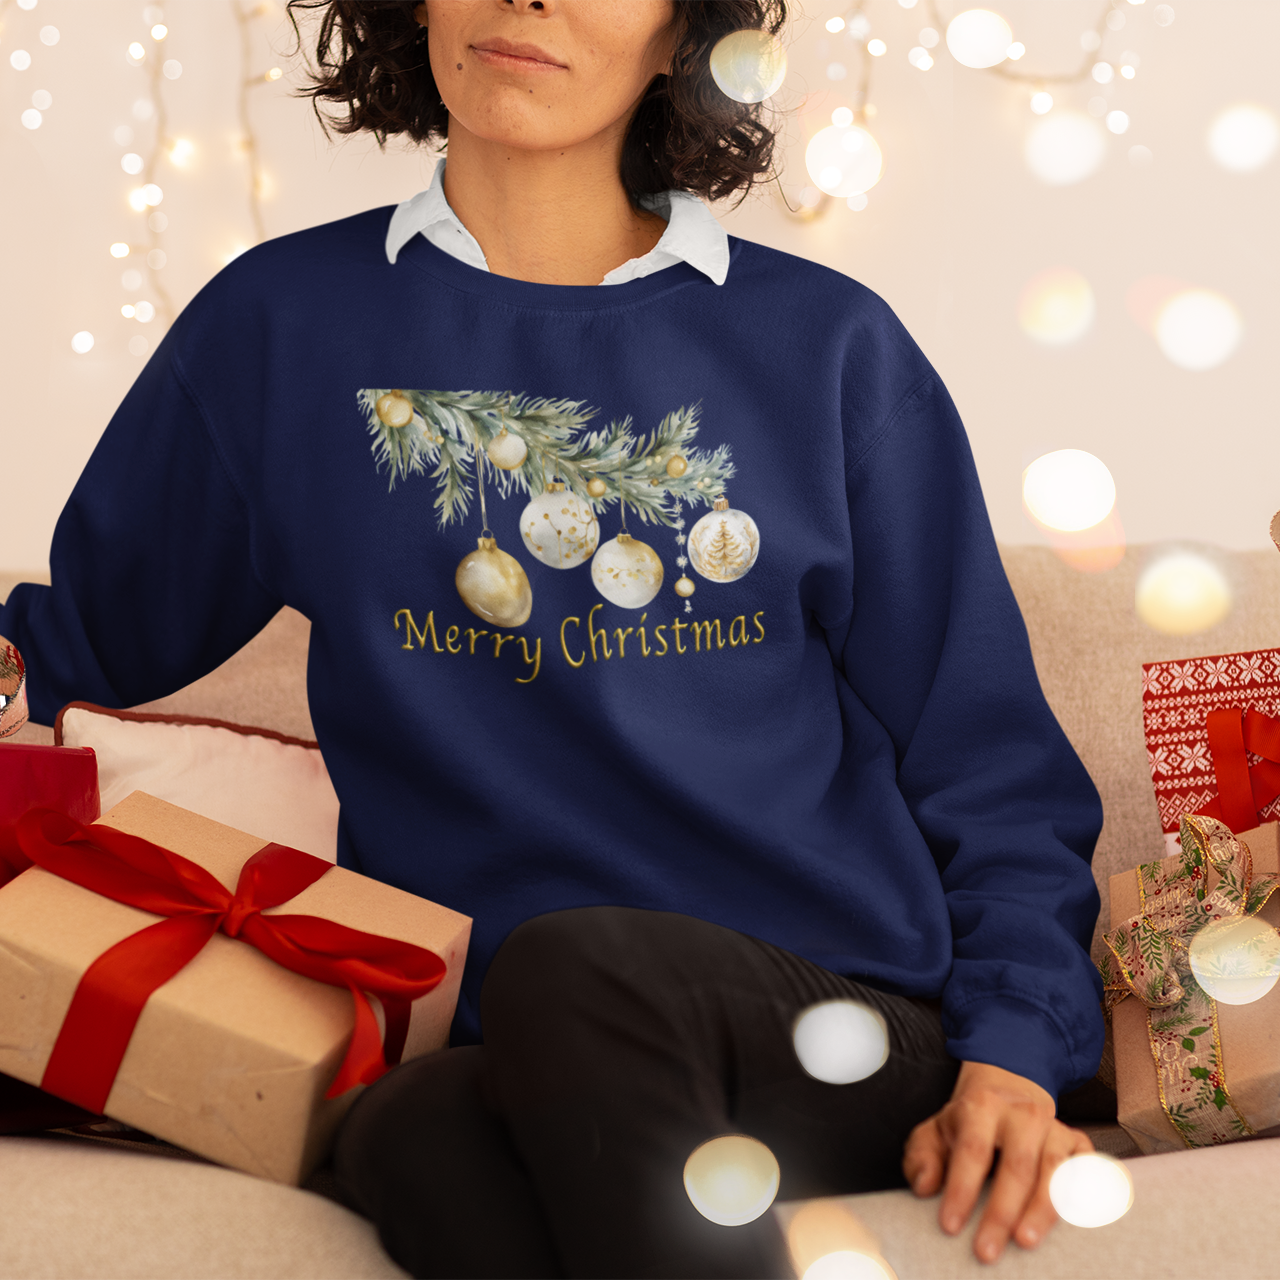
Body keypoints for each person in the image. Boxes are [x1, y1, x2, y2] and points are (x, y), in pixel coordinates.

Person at [0, 0, 1109, 1274]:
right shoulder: (282, 327)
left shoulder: (827, 348)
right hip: (513, 1045)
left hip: (835, 1022)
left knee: (574, 967)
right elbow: (70, 641)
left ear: (680, 34)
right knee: (408, 1129)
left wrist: (1012, 1049)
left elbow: (991, 765)